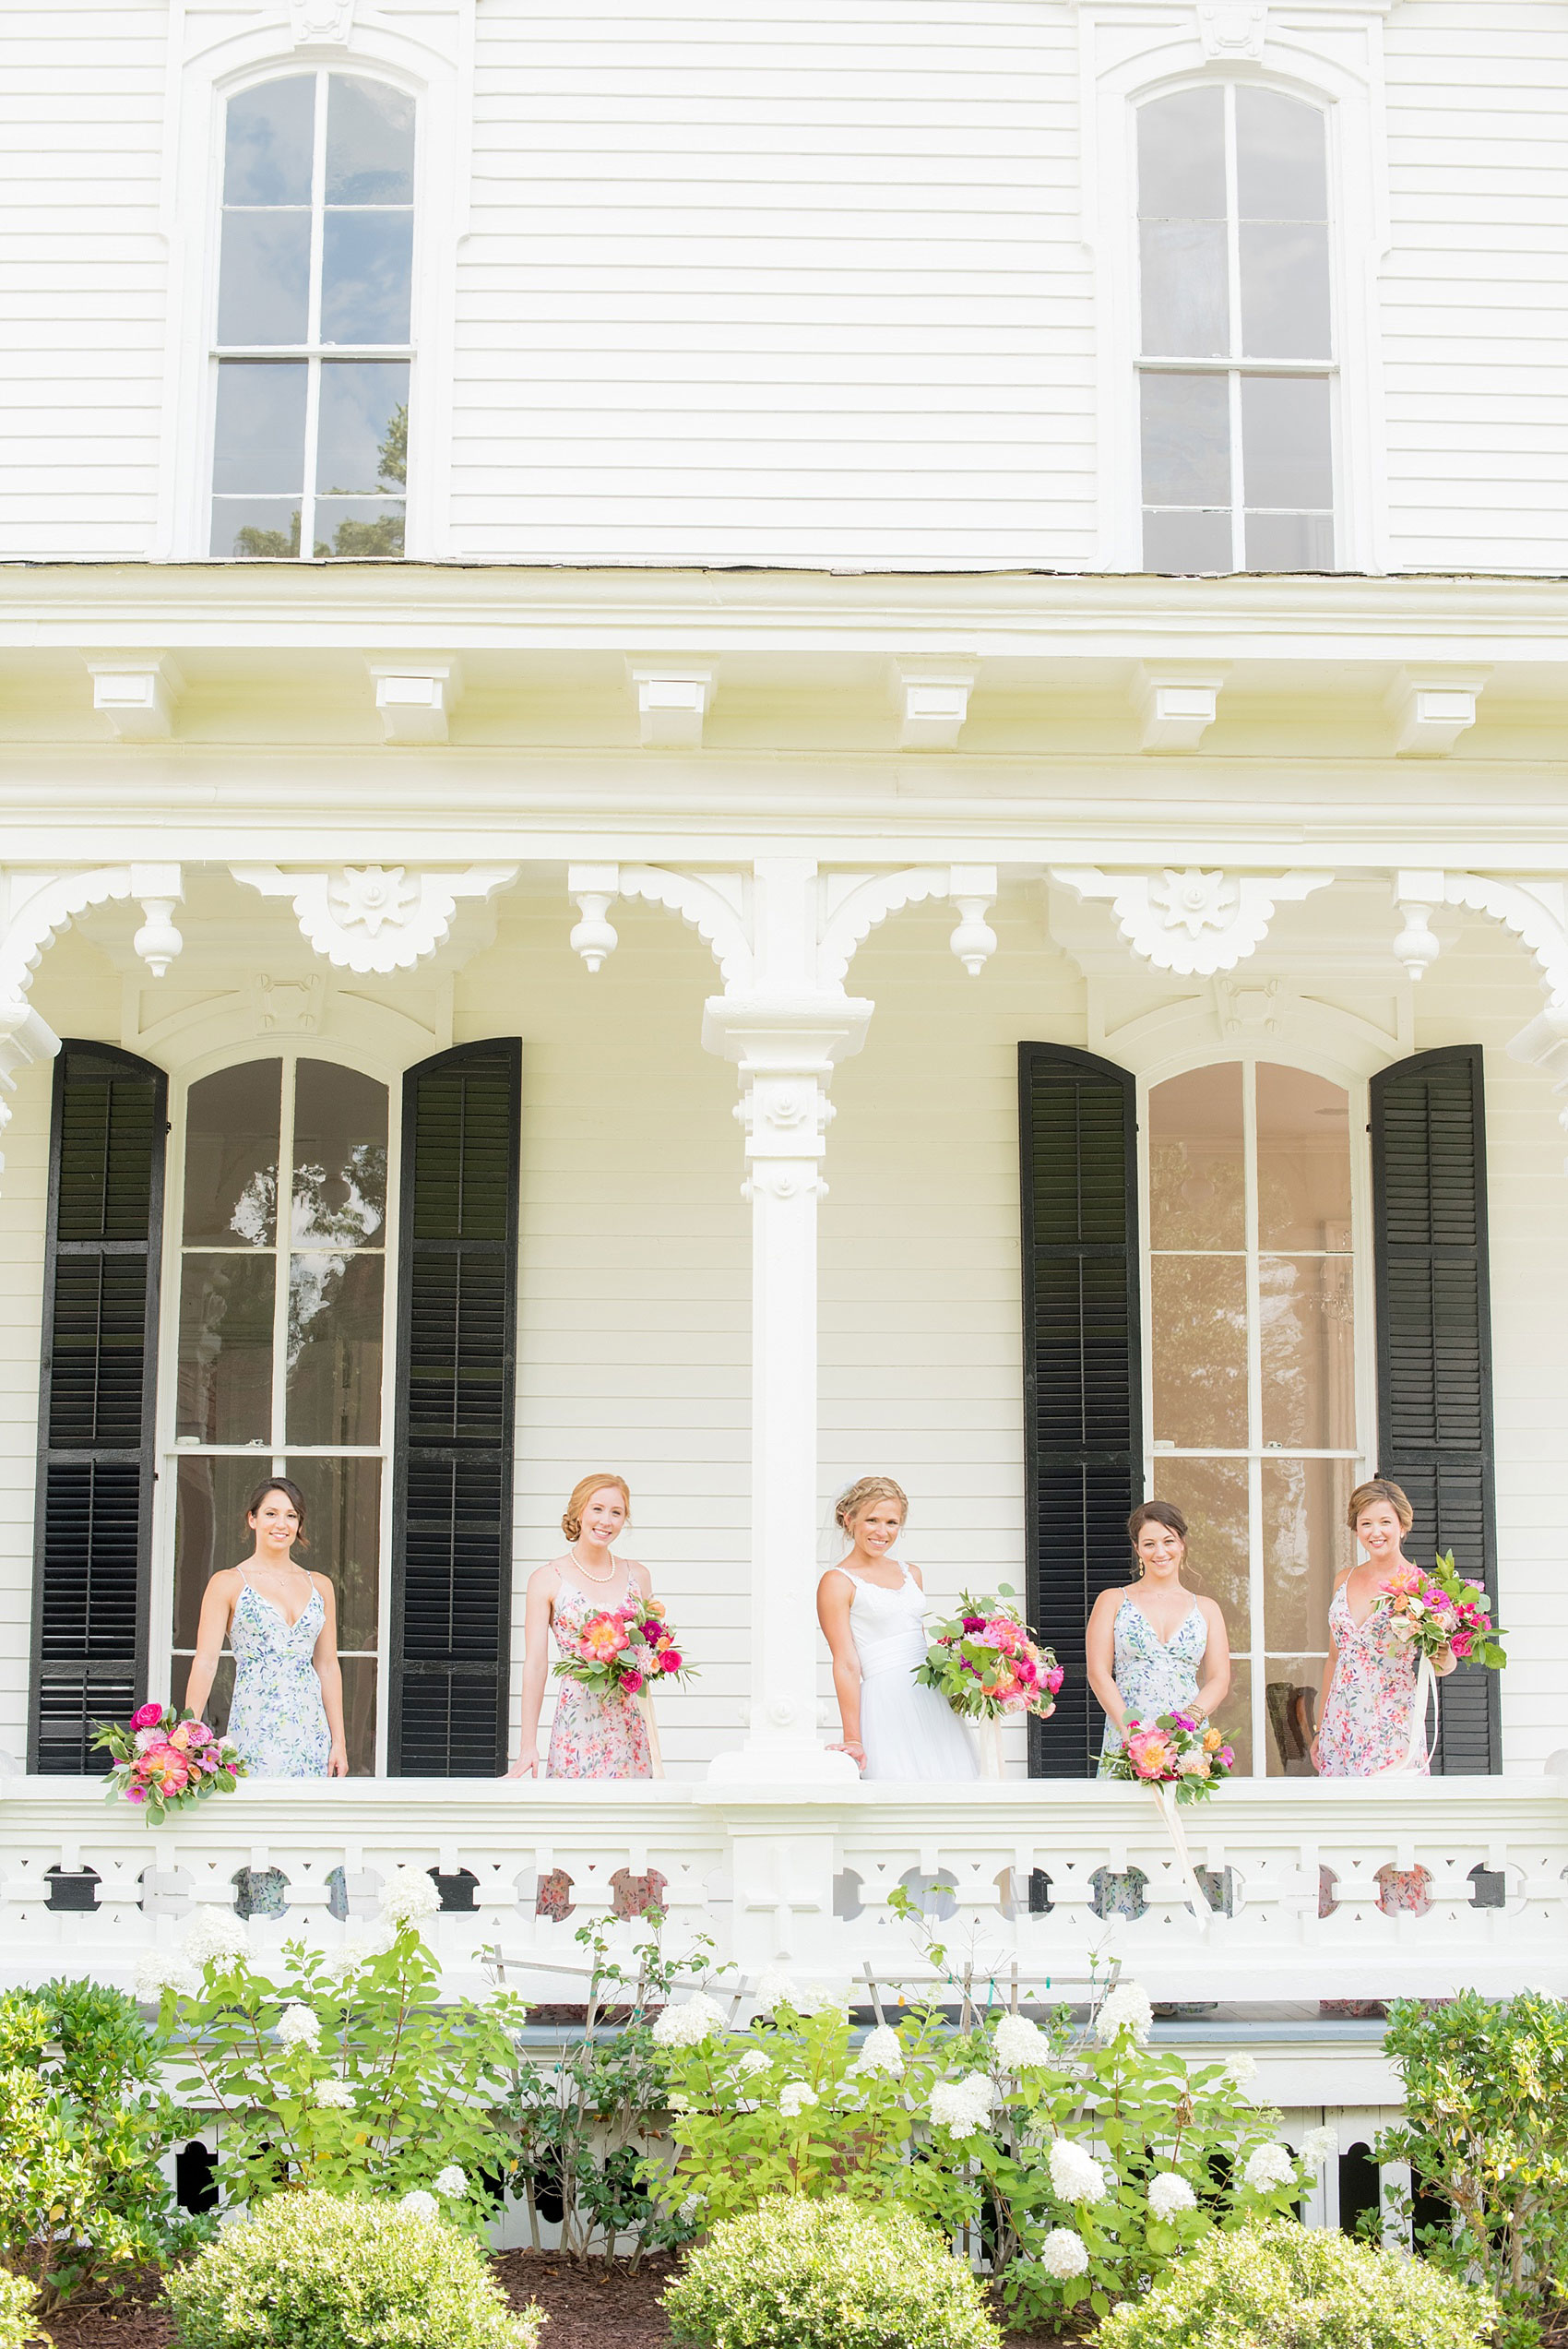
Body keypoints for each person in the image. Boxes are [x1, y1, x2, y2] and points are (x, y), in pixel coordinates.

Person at [815, 1476, 980, 1781]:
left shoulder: (912, 1573)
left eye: (892, 1522)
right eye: (872, 1520)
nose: (882, 1532)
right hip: (886, 1700)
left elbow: (918, 1639)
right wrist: (854, 1737)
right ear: (849, 1520)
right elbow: (847, 1664)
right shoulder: (837, 1582)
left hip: (931, 1695)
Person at [185, 1477, 348, 1779]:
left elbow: (327, 1665)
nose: (281, 1524)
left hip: (311, 1732)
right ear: (253, 1518)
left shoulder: (320, 1585)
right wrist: (189, 1735)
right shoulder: (227, 1582)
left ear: (299, 1524)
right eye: (271, 1513)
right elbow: (206, 1662)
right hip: (255, 1724)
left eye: (291, 1515)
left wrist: (339, 1741)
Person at [507, 1473, 655, 1781]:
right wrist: (527, 1746)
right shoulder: (547, 1579)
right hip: (576, 1723)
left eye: (617, 1512)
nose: (606, 1521)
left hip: (629, 1724)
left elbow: (647, 1655)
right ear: (579, 1512)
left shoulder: (638, 1576)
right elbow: (535, 1664)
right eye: (597, 1509)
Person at [1313, 1476, 1455, 1778]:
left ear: (1403, 1526)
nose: (1375, 1532)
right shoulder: (1343, 1579)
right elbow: (1334, 1659)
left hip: (1391, 1722)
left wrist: (1444, 1656)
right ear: (1356, 1530)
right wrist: (1321, 1727)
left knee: (1388, 1817)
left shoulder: (1422, 1586)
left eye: (1385, 1522)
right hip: (1341, 1725)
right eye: (1365, 1524)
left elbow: (1443, 1662)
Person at [1087, 1500, 1231, 1773]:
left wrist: (1187, 1723)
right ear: (1137, 1548)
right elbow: (1098, 1673)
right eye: (1150, 1544)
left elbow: (1219, 1679)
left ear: (1182, 1543)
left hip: (1187, 1740)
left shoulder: (1207, 1608)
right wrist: (1132, 1730)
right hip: (1128, 1731)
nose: (1160, 1552)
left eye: (1168, 1541)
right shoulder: (1112, 1601)